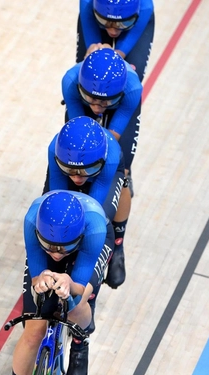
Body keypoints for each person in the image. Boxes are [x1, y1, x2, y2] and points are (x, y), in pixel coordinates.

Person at [61, 48, 143, 284]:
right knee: (75, 156)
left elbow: (109, 141)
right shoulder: (70, 81)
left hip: (120, 112)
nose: (97, 107)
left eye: (104, 102)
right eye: (92, 101)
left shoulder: (131, 88)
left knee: (121, 171)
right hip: (84, 109)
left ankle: (117, 246)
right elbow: (82, 125)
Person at [11, 190, 114, 375]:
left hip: (88, 246)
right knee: (33, 332)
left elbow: (79, 286)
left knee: (76, 305)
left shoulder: (95, 228)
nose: (57, 254)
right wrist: (40, 279)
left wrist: (69, 282)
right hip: (60, 240)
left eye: (63, 250)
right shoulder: (31, 221)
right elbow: (36, 274)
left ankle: (80, 344)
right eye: (51, 248)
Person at [43, 115, 126, 289]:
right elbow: (57, 194)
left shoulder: (109, 156)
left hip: (104, 176)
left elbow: (93, 209)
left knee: (98, 222)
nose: (76, 178)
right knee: (55, 214)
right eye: (70, 171)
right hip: (81, 164)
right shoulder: (54, 149)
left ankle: (117, 245)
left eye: (82, 172)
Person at [76, 0, 155, 82]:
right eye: (106, 22)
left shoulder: (145, 6)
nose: (112, 32)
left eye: (121, 24)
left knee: (132, 78)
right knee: (86, 75)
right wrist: (93, 48)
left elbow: (120, 54)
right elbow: (92, 48)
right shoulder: (87, 2)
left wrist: (117, 55)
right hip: (95, 21)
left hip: (133, 27)